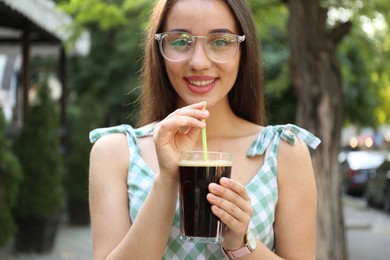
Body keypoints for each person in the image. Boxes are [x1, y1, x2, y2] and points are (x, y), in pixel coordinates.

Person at [89, 0, 321, 259]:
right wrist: (167, 179)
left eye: (220, 41)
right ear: (159, 49)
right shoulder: (115, 151)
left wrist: (241, 243)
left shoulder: (283, 151)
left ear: (244, 50)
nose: (198, 62)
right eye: (180, 41)